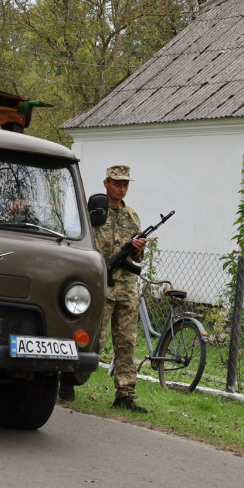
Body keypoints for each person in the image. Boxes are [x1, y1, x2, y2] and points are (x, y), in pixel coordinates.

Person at [91, 165, 149, 413]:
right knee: (94, 340)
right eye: (117, 183)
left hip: (126, 289)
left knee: (126, 343)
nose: (121, 189)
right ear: (106, 183)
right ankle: (68, 380)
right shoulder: (94, 213)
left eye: (125, 184)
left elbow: (138, 260)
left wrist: (138, 247)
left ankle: (125, 394)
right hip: (101, 285)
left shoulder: (132, 217)